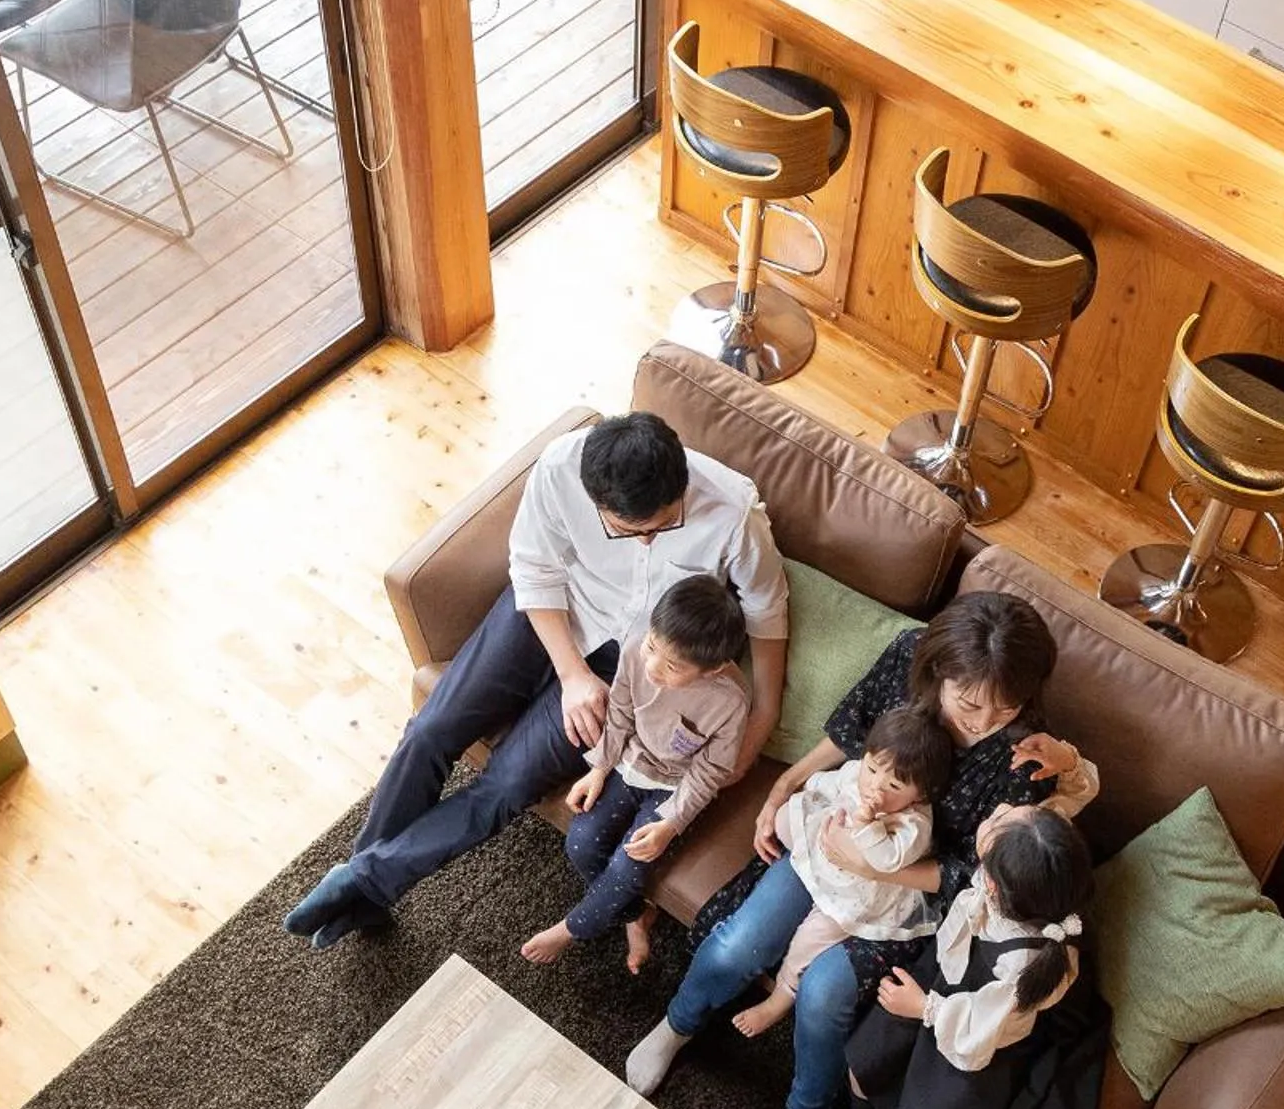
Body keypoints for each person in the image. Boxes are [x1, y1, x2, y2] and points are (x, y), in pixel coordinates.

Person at [625, 592, 1099, 1109]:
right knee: (738, 941)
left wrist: (877, 867)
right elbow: (851, 734)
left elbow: (975, 876)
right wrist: (784, 788)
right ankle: (677, 1024)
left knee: (824, 993)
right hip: (837, 840)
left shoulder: (1027, 752)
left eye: (1003, 709)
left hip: (911, 899)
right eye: (969, 702)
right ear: (939, 670)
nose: (982, 722)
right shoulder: (906, 658)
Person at [283, 412, 787, 948]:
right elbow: (533, 568)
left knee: (506, 786)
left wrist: (762, 721)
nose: (644, 542)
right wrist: (571, 675)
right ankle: (367, 888)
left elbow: (767, 612)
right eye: (625, 530)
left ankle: (360, 882)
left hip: (635, 663)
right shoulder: (561, 467)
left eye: (661, 527)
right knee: (431, 731)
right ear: (596, 498)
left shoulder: (733, 514)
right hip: (546, 613)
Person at [846, 804, 1101, 1109]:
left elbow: (982, 1029)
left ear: (994, 884)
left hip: (981, 1033)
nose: (999, 808)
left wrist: (925, 1009)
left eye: (1000, 819)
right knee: (870, 1057)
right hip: (949, 979)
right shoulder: (1034, 884)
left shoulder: (1025, 963)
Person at [521, 574, 750, 969]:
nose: (654, 667)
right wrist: (599, 768)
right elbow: (621, 713)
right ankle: (634, 916)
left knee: (629, 862)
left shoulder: (729, 702)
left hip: (675, 789)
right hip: (629, 764)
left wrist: (672, 823)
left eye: (673, 665)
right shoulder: (634, 652)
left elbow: (709, 773)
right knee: (582, 842)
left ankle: (572, 929)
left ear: (713, 670)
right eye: (652, 647)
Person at [731, 705, 953, 1040]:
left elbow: (887, 860)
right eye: (873, 769)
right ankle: (807, 873)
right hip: (829, 852)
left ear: (920, 794)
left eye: (894, 785)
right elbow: (831, 782)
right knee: (785, 818)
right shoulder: (859, 773)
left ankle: (781, 995)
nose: (875, 787)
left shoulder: (914, 824)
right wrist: (806, 792)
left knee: (810, 938)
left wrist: (866, 824)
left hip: (860, 893)